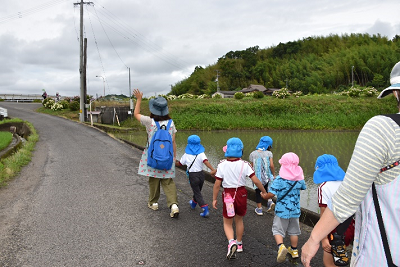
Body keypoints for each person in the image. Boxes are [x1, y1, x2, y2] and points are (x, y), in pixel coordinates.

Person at [301, 62, 400, 267]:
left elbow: (348, 198)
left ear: (396, 94)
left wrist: (313, 239)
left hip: (384, 255)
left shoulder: (383, 128)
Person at [212, 137, 268, 260]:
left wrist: (214, 199)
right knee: (239, 220)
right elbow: (256, 181)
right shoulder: (245, 164)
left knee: (227, 221)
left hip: (228, 195)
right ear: (241, 150)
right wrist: (264, 192)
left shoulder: (222, 164)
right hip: (241, 193)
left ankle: (231, 242)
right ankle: (239, 243)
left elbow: (217, 184)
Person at [133, 89, 179, 218]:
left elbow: (136, 114)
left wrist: (139, 99)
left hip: (152, 157)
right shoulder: (171, 123)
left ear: (153, 109)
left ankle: (153, 203)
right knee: (168, 181)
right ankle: (173, 205)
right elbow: (173, 141)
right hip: (167, 157)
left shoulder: (149, 122)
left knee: (153, 180)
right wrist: (174, 158)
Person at [264, 152, 307, 263]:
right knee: (294, 231)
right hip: (295, 210)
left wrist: (264, 196)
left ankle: (281, 247)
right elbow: (303, 187)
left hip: (282, 210)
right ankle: (294, 251)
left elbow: (271, 194)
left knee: (277, 229)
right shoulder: (299, 179)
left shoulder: (279, 179)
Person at [313, 154, 354, 267]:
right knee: (339, 259)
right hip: (349, 228)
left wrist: (323, 238)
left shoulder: (324, 187)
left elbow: (324, 214)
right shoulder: (347, 184)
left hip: (333, 231)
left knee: (329, 263)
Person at [176, 135, 216, 218]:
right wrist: (212, 170)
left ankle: (205, 208)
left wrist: (172, 163)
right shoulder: (201, 153)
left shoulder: (186, 154)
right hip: (201, 175)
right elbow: (206, 162)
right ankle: (193, 203)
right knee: (197, 191)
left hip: (193, 176)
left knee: (197, 192)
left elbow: (180, 164)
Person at [248, 136, 275, 215]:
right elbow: (272, 165)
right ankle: (270, 201)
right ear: (268, 146)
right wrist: (273, 174)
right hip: (267, 176)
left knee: (258, 192)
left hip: (257, 178)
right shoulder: (269, 153)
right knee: (267, 189)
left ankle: (259, 209)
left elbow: (251, 166)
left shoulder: (253, 154)